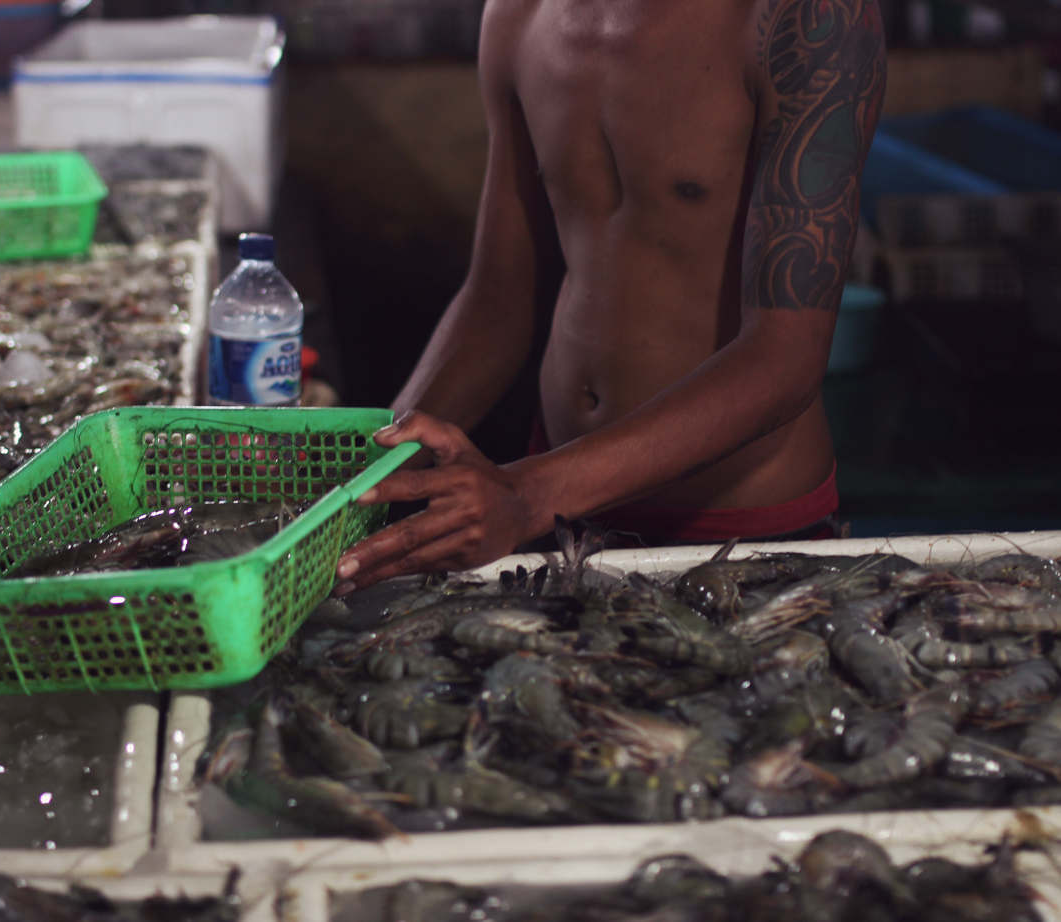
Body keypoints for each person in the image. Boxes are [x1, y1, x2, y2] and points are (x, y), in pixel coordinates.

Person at [333, 0, 887, 595]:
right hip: (561, 514)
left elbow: (786, 358)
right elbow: (498, 298)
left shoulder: (809, 16)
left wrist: (527, 494)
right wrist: (363, 477)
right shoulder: (518, 13)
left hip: (737, 531)